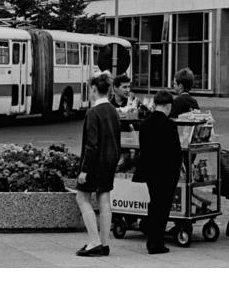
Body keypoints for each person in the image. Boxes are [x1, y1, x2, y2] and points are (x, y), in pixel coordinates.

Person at [74, 73, 121, 257]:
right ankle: (104, 243)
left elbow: (91, 145)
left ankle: (93, 242)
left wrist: (84, 170)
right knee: (104, 199)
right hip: (110, 161)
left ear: (94, 89)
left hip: (95, 163)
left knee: (82, 198)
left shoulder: (93, 113)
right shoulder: (113, 111)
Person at [132, 90, 182, 254]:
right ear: (168, 106)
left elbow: (143, 148)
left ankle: (151, 236)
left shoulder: (145, 124)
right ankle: (156, 242)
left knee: (154, 203)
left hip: (150, 171)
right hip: (166, 172)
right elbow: (175, 152)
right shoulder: (170, 125)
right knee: (162, 207)